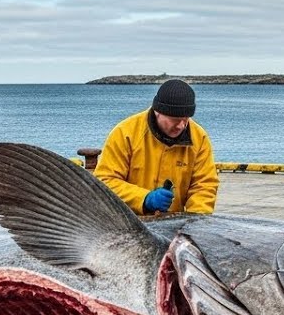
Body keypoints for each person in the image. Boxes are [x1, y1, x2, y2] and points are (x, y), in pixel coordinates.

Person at [93, 78, 218, 215]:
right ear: (158, 112)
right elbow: (105, 181)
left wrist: (195, 222)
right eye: (175, 120)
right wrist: (144, 198)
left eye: (186, 119)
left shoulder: (199, 138)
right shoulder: (125, 133)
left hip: (171, 225)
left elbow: (204, 186)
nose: (182, 125)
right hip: (127, 221)